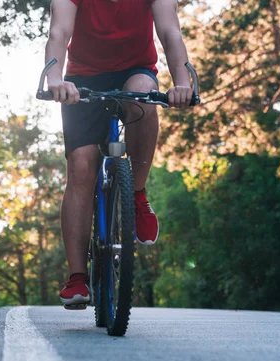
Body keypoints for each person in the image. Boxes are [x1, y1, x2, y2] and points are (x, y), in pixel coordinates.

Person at [45, 0, 194, 307]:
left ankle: (136, 193)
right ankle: (77, 278)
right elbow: (59, 32)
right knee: (81, 167)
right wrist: (55, 80)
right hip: (82, 78)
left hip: (134, 71)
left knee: (143, 99)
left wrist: (182, 83)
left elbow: (170, 33)